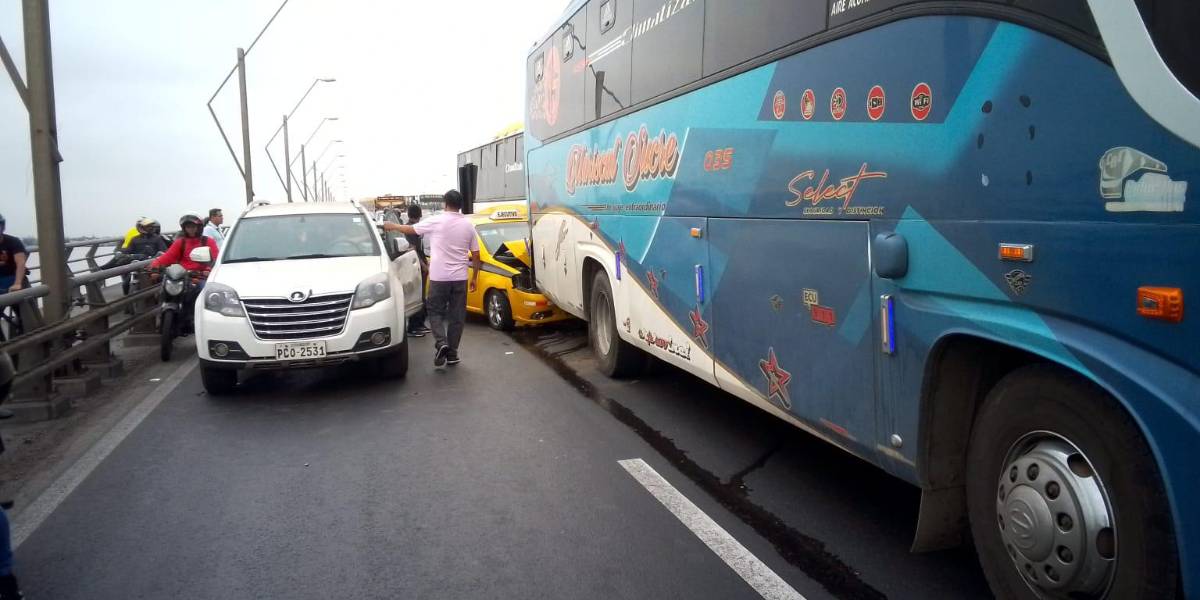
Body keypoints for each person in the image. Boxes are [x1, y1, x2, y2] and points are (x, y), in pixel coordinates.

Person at [383, 190, 479, 367]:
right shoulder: (468, 225)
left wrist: (392, 226)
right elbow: (476, 254)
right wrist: (475, 277)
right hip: (460, 278)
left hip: (439, 278)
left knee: (434, 311)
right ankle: (452, 353)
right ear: (460, 205)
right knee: (457, 316)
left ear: (445, 204)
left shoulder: (437, 220)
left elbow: (410, 229)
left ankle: (441, 343)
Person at [151, 214, 219, 329]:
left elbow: (215, 259)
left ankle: (204, 321)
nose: (191, 229)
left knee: (204, 292)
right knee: (165, 288)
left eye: (193, 226)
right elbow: (167, 257)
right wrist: (154, 267)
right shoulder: (180, 242)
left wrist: (207, 270)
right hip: (183, 275)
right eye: (188, 227)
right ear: (184, 228)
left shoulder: (208, 241)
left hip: (201, 276)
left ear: (199, 227)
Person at [403, 205, 432, 338]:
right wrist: (423, 265)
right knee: (417, 296)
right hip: (416, 266)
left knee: (421, 296)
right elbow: (413, 250)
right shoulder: (411, 230)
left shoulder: (412, 228)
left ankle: (420, 324)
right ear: (419, 215)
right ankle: (413, 327)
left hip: (419, 264)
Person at [0, 215, 27, 295]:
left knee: (24, 297)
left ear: (3, 227)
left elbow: (20, 263)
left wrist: (17, 283)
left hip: (13, 277)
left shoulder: (13, 241)